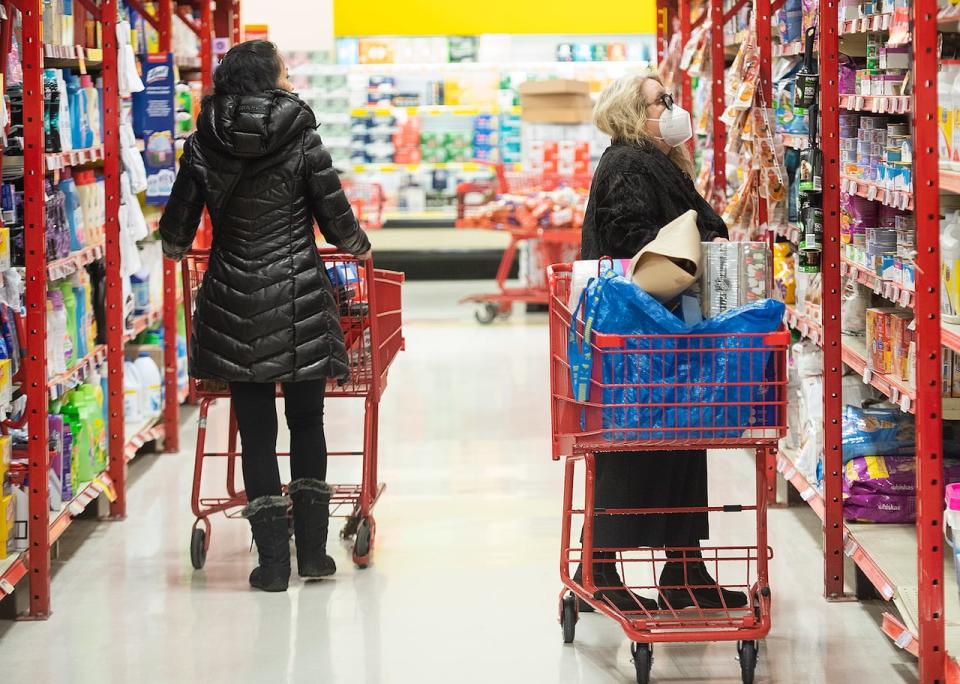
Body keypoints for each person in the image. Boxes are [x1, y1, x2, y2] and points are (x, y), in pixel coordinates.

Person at [159, 40, 371, 592]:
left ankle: (273, 563)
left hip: (233, 299)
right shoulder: (301, 135)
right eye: (283, 66)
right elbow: (334, 217)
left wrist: (178, 246)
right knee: (307, 423)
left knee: (254, 433)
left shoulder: (203, 140)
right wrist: (360, 246)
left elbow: (177, 228)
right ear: (269, 77)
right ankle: (316, 557)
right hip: (298, 295)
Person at [576, 72, 747, 612]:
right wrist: (692, 246)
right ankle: (598, 572)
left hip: (665, 329)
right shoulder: (628, 162)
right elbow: (629, 239)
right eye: (660, 101)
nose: (672, 109)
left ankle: (684, 571)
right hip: (638, 333)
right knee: (632, 446)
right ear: (632, 112)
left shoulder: (653, 160)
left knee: (678, 444)